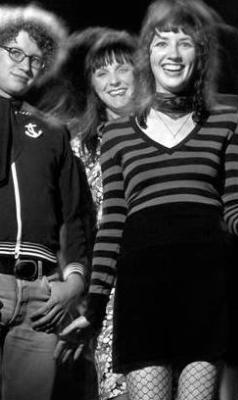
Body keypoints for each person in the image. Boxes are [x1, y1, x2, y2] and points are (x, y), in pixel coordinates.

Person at [56, 0, 238, 399]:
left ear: (201, 54)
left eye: (185, 42)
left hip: (206, 290)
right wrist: (94, 309)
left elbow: (234, 206)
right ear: (147, 54)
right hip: (142, 295)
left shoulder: (228, 120)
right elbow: (113, 225)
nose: (173, 53)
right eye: (162, 42)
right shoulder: (118, 135)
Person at [0, 5, 91, 400]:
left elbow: (74, 213)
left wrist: (74, 281)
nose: (26, 66)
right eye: (15, 52)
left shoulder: (52, 131)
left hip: (41, 297)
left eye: (36, 59)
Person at [48, 27, 138, 400]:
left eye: (123, 68)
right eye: (102, 72)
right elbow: (69, 224)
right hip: (107, 290)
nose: (113, 81)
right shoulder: (79, 148)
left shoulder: (170, 134)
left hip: (166, 278)